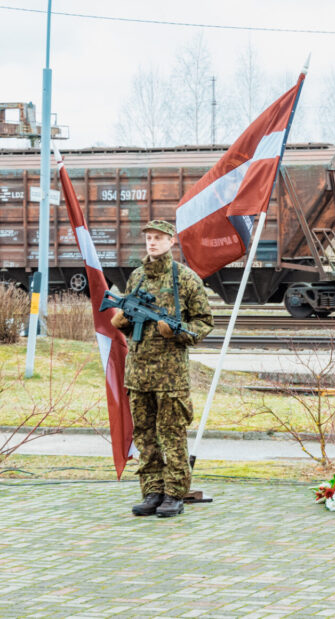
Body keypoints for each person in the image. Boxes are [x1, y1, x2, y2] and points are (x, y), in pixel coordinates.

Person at [110, 220, 213, 518]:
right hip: (139, 373)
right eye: (149, 238)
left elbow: (204, 323)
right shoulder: (137, 277)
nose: (152, 243)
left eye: (158, 238)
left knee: (171, 434)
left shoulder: (186, 278)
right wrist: (123, 322)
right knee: (144, 435)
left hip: (170, 376)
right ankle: (152, 490)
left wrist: (177, 332)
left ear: (171, 242)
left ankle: (174, 494)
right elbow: (130, 323)